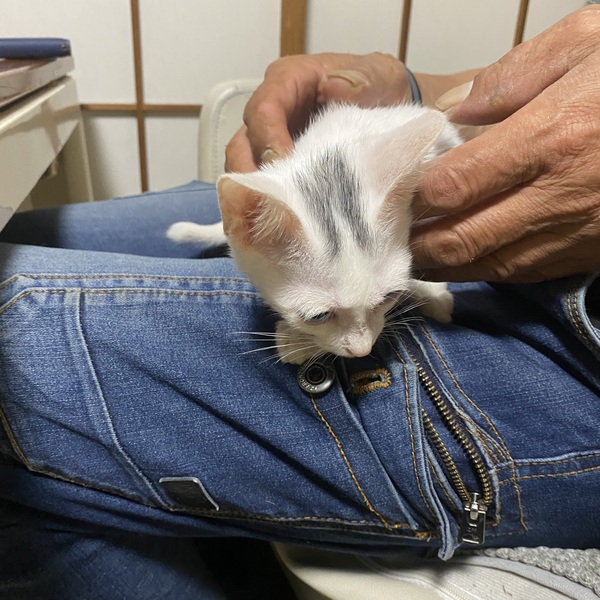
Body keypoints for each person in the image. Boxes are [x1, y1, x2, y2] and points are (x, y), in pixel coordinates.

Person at [0, 5, 599, 599]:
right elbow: (462, 109)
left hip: (568, 355)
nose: (363, 346)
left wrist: (338, 305)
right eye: (321, 315)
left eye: (386, 300)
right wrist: (411, 85)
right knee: (21, 233)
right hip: (348, 193)